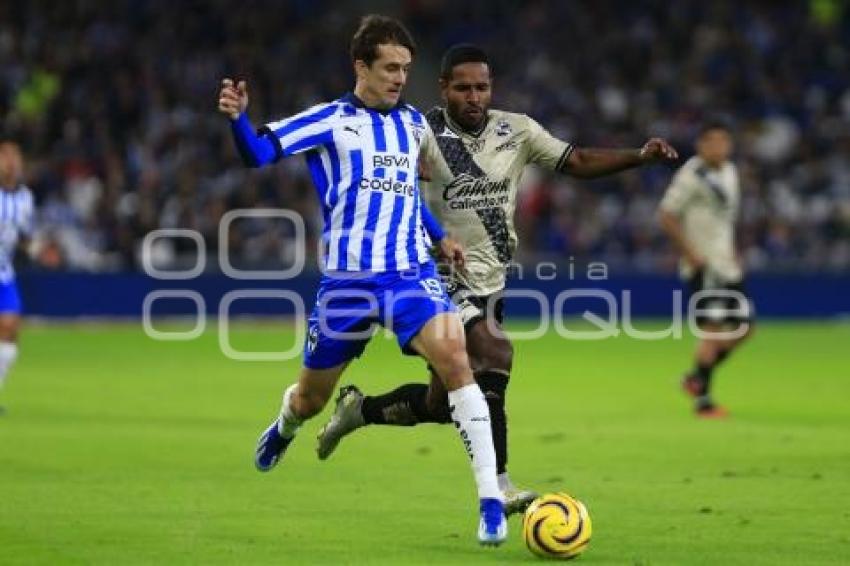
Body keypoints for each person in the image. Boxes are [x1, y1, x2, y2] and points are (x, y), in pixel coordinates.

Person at [316, 44, 678, 514]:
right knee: (494, 351)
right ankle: (500, 487)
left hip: (490, 283)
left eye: (481, 87)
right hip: (431, 276)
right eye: (462, 87)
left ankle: (359, 411)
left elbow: (578, 161)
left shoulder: (517, 130)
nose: (473, 96)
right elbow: (383, 177)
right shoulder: (417, 130)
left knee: (443, 403)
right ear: (444, 87)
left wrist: (639, 156)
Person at [217, 17, 507, 545]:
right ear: (361, 67)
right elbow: (258, 153)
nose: (400, 78)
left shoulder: (414, 124)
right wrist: (239, 120)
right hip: (346, 285)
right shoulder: (329, 121)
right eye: (390, 68)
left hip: (409, 274)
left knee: (458, 360)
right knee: (310, 399)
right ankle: (284, 426)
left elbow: (405, 192)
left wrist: (439, 236)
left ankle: (490, 503)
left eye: (405, 68)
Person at [658, 121, 754, 418]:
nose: (719, 147)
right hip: (706, 265)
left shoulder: (729, 172)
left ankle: (696, 376)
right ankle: (704, 402)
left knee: (745, 328)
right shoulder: (691, 175)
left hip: (727, 265)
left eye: (724, 141)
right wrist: (691, 254)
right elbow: (666, 214)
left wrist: (734, 252)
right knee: (712, 331)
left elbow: (725, 221)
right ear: (700, 145)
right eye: (712, 142)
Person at [0, 142, 36, 412]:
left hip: (4, 274)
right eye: (5, 157)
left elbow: (25, 235)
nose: (11, 162)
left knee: (10, 330)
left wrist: (32, 248)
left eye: (15, 157)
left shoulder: (25, 198)